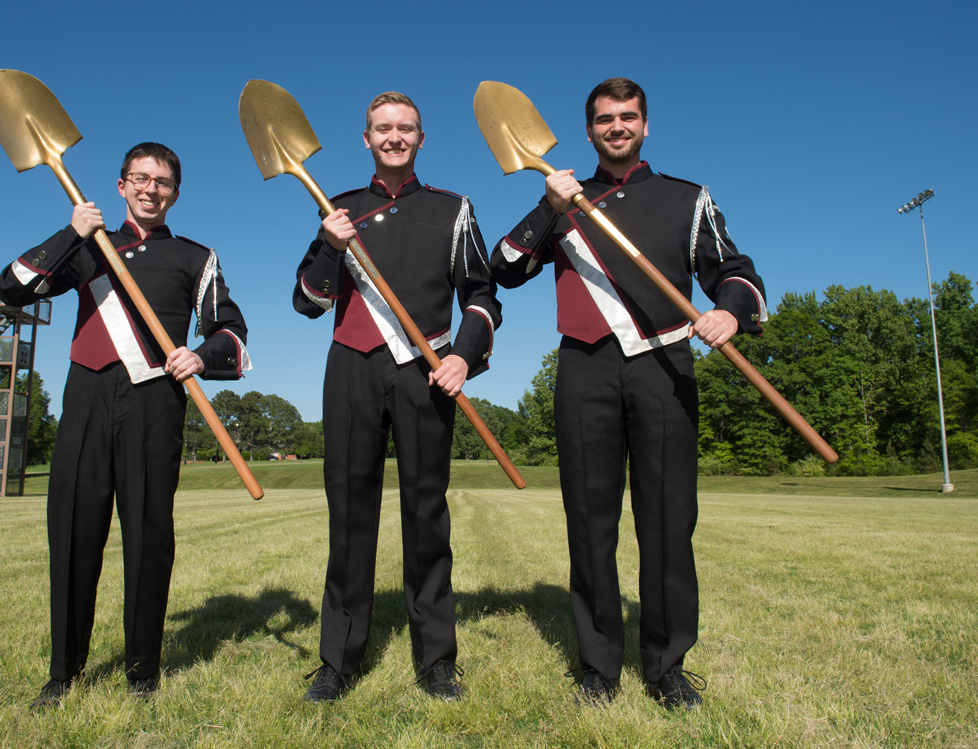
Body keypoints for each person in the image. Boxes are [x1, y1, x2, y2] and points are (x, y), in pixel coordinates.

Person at [490, 79, 767, 710]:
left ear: (646, 125)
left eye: (628, 117)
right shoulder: (562, 199)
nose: (617, 126)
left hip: (663, 367)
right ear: (587, 132)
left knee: (669, 519)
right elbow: (502, 270)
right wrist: (547, 206)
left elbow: (735, 272)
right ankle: (598, 664)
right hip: (584, 368)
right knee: (589, 523)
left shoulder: (686, 197)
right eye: (605, 119)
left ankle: (667, 664)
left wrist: (728, 311)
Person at [0, 142, 252, 708]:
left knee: (147, 536)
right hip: (85, 395)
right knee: (72, 532)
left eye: (162, 182)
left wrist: (201, 357)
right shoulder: (89, 248)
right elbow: (12, 288)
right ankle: (63, 672)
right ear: (121, 187)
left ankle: (143, 670)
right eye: (139, 179)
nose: (150, 189)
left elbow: (230, 331)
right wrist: (71, 232)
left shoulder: (195, 256)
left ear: (175, 193)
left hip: (154, 402)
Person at [292, 92, 502, 702]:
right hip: (352, 370)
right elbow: (307, 303)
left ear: (421, 138)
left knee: (426, 514)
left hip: (427, 372)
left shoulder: (453, 208)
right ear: (366, 139)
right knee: (350, 516)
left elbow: (483, 295)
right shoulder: (338, 210)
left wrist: (464, 354)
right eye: (383, 129)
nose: (394, 137)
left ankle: (436, 658)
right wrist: (328, 245)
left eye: (405, 128)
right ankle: (339, 659)